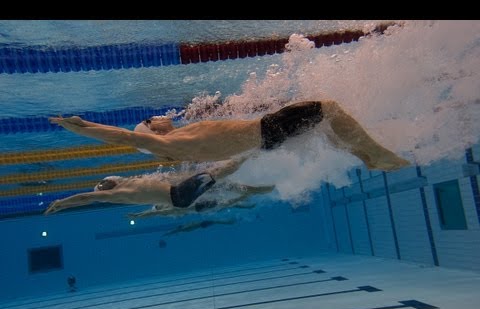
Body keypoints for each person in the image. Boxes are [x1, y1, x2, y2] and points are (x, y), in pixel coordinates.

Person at [49, 100, 410, 171]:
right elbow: (125, 138)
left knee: (324, 123)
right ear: (150, 132)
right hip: (266, 130)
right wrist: (81, 126)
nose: (159, 118)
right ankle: (376, 154)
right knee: (327, 109)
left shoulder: (182, 137)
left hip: (264, 136)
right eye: (152, 120)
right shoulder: (167, 142)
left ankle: (363, 156)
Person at [44, 156, 271, 215]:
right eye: (101, 184)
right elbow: (86, 198)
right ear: (105, 189)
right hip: (179, 196)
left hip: (178, 195)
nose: (104, 181)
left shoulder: (128, 185)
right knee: (217, 173)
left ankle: (263, 182)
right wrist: (62, 203)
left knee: (218, 176)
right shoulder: (118, 194)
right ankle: (248, 154)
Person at [128, 183, 274, 218]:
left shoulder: (165, 203)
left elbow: (151, 211)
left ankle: (254, 191)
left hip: (198, 201)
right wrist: (139, 216)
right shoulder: (169, 209)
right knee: (227, 195)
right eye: (158, 206)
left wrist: (140, 213)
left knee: (227, 194)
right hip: (199, 205)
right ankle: (257, 190)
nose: (158, 204)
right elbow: (153, 213)